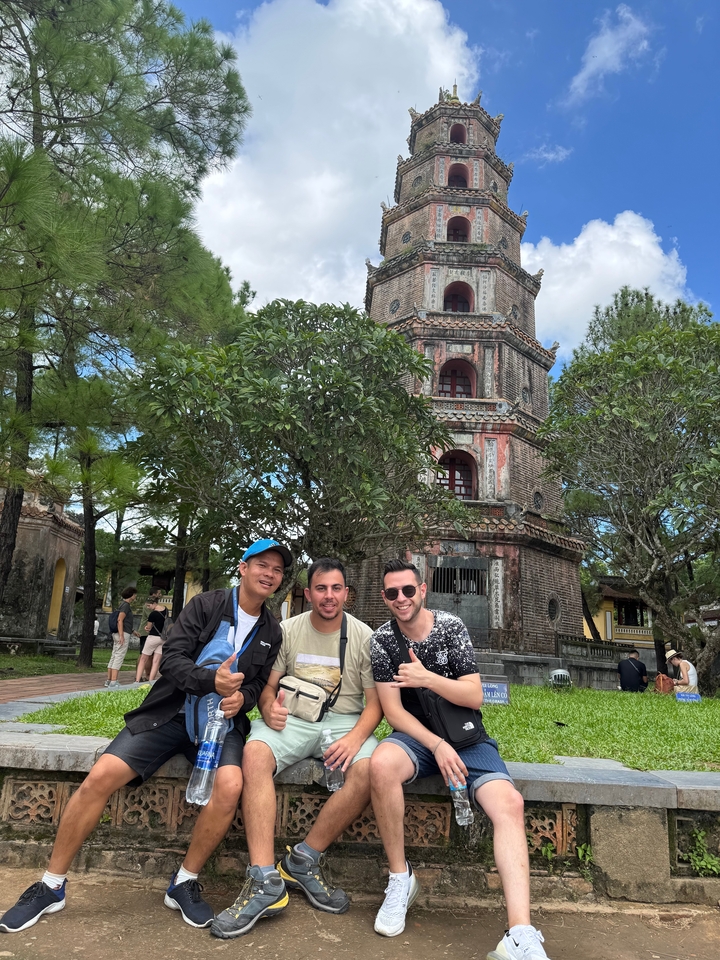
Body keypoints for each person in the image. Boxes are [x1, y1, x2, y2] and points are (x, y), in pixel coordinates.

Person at [0, 538, 291, 935]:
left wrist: (242, 698)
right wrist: (211, 680)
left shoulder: (272, 630)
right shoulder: (206, 605)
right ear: (243, 567)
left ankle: (184, 880)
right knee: (101, 776)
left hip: (220, 725)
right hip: (170, 712)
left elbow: (258, 685)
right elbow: (171, 660)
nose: (269, 574)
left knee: (230, 784)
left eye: (277, 569)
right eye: (262, 565)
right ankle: (51, 884)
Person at [368, 559, 552, 960]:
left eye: (407, 590)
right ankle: (401, 879)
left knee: (510, 804)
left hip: (468, 739)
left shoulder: (450, 627)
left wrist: (427, 678)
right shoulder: (382, 640)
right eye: (391, 593)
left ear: (423, 589)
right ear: (384, 597)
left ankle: (519, 934)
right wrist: (435, 745)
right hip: (417, 738)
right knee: (380, 765)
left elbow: (474, 695)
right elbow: (393, 711)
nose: (401, 599)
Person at [210, 557, 382, 940]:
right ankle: (264, 876)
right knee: (254, 753)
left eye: (336, 589)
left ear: (346, 594)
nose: (329, 596)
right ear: (308, 592)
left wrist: (354, 739)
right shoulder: (287, 629)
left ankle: (304, 858)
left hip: (344, 722)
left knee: (371, 768)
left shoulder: (364, 636)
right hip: (294, 718)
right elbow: (268, 687)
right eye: (320, 588)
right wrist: (268, 707)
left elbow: (375, 705)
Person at [105, 586, 140, 688]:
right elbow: (120, 620)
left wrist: (133, 631)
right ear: (131, 595)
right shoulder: (126, 606)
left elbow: (124, 622)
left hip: (120, 632)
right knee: (119, 656)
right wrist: (121, 636)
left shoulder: (122, 605)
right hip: (122, 634)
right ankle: (114, 681)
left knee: (114, 655)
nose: (135, 596)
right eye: (135, 594)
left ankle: (109, 680)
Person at [136, 600, 167, 683]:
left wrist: (146, 628)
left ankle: (137, 680)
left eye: (149, 605)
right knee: (156, 661)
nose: (148, 607)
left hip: (153, 637)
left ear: (154, 604)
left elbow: (148, 627)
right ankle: (151, 681)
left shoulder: (153, 614)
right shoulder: (165, 610)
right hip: (163, 638)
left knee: (143, 658)